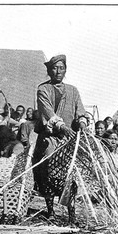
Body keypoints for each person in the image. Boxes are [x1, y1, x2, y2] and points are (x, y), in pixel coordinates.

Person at [32, 54, 88, 218]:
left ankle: (72, 213)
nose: (58, 71)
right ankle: (50, 210)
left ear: (65, 70)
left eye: (61, 68)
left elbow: (81, 111)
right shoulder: (43, 89)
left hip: (69, 139)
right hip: (51, 136)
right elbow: (48, 112)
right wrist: (61, 127)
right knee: (50, 167)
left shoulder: (73, 90)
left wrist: (82, 122)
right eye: (54, 68)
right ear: (49, 71)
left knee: (72, 173)